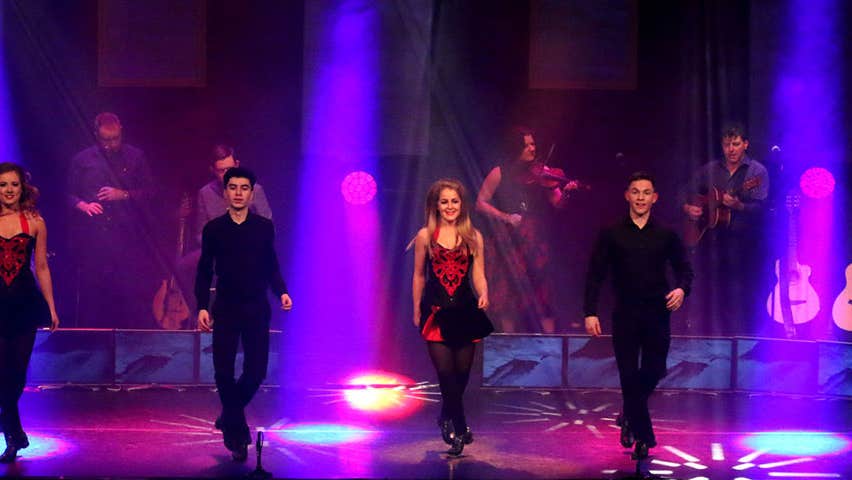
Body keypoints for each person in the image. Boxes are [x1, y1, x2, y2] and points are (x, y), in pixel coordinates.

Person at [583, 171, 693, 460]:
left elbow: (685, 268)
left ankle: (630, 411)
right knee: (628, 374)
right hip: (626, 313)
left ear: (654, 198)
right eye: (635, 191)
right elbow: (595, 275)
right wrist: (590, 311)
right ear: (627, 195)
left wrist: (682, 289)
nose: (641, 197)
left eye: (646, 192)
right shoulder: (611, 232)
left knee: (655, 370)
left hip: (658, 312)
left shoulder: (666, 233)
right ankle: (644, 436)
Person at [194, 166, 291, 461]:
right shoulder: (214, 229)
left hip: (256, 307)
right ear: (225, 192)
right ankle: (237, 434)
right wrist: (200, 305)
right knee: (223, 371)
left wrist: (282, 291)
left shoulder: (264, 227)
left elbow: (270, 264)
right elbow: (204, 270)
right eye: (233, 187)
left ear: (252, 192)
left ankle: (229, 414)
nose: (238, 192)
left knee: (256, 371)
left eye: (244, 188)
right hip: (225, 307)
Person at [412, 179, 490, 456]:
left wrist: (484, 292)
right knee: (445, 374)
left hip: (466, 313)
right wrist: (415, 308)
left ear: (462, 204)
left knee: (462, 375)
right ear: (436, 205)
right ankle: (460, 425)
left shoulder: (473, 236)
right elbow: (419, 275)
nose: (449, 206)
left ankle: (446, 416)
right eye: (444, 201)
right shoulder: (425, 236)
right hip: (436, 312)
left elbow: (478, 273)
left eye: (454, 201)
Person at [476, 126, 578, 333]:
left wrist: (566, 193)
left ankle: (548, 347)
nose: (533, 148)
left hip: (535, 239)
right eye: (527, 145)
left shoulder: (543, 173)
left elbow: (558, 203)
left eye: (533, 143)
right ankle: (509, 344)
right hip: (508, 239)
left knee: (542, 293)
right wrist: (505, 217)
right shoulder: (499, 172)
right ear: (515, 148)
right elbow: (481, 203)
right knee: (508, 295)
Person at [67, 112, 156, 328]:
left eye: (115, 139)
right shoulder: (82, 160)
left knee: (128, 291)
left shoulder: (135, 157)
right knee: (94, 292)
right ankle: (90, 339)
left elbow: (152, 192)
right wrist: (82, 205)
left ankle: (131, 339)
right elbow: (66, 194)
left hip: (127, 236)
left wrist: (122, 194)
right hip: (93, 238)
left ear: (121, 131)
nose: (111, 145)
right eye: (106, 140)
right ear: (96, 134)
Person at [680, 123, 769, 335]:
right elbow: (685, 191)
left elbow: (762, 208)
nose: (731, 149)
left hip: (745, 243)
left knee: (742, 291)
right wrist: (688, 207)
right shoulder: (709, 169)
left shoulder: (757, 172)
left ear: (745, 144)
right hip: (710, 242)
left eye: (736, 144)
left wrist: (739, 206)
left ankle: (743, 334)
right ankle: (709, 332)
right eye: (727, 144)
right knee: (710, 288)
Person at [0, 162, 59, 463]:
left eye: (14, 184)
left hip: (24, 304)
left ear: (22, 188)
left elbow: (42, 267)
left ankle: (12, 430)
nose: (9, 190)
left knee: (17, 374)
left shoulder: (35, 221)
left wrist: (51, 306)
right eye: (3, 185)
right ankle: (14, 435)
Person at [173, 144, 273, 320]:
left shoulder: (254, 190)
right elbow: (200, 232)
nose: (226, 174)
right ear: (213, 170)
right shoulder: (205, 193)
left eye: (229, 169)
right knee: (182, 266)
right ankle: (202, 313)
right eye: (221, 171)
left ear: (237, 165)